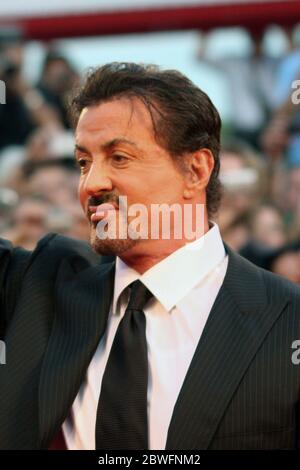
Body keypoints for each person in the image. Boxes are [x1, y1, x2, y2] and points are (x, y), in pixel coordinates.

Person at [0, 62, 300, 450]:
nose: (92, 184)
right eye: (83, 163)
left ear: (196, 169)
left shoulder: (288, 322)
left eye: (120, 157)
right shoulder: (41, 286)